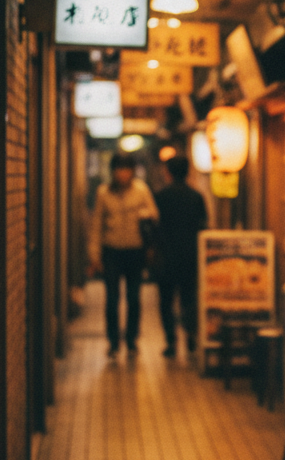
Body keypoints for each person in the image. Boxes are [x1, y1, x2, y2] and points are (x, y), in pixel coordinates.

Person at [88, 152, 159, 356]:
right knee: (111, 298)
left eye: (126, 169)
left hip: (135, 251)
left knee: (134, 297)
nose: (122, 174)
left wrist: (145, 218)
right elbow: (96, 226)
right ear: (113, 171)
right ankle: (112, 340)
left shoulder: (141, 190)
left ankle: (131, 339)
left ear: (132, 171)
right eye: (119, 169)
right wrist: (95, 256)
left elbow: (154, 216)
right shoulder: (104, 193)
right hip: (111, 250)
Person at [153, 155, 207, 357]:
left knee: (166, 302)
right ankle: (191, 338)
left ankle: (171, 342)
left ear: (167, 172)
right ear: (188, 172)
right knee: (188, 299)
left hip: (166, 256)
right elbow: (203, 226)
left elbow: (155, 226)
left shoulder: (160, 197)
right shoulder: (196, 197)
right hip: (190, 257)